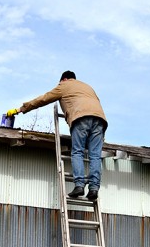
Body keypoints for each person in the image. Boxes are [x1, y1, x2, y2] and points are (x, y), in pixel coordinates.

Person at [7, 71, 107, 200]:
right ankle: (94, 188)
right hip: (100, 121)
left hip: (80, 118)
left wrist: (21, 109)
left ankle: (79, 186)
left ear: (64, 79)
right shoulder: (87, 87)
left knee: (77, 152)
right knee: (95, 156)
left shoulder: (64, 85)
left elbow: (43, 99)